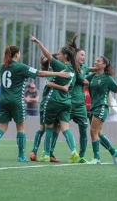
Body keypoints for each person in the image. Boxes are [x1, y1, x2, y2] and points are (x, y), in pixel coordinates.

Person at [0, 45, 71, 162]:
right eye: (19, 53)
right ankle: (21, 156)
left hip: (3, 100)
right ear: (16, 55)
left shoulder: (2, 67)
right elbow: (39, 73)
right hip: (16, 101)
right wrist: (58, 74)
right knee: (20, 128)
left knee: (1, 126)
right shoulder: (20, 67)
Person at [30, 35, 81, 163]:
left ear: (65, 56)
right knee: (65, 128)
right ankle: (74, 151)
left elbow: (48, 55)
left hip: (53, 100)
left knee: (47, 127)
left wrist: (38, 42)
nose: (57, 56)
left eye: (59, 54)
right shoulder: (73, 70)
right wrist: (63, 88)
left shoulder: (60, 66)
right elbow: (69, 87)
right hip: (66, 102)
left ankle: (46, 154)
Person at [86, 56, 117, 164]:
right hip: (93, 107)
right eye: (95, 60)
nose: (96, 62)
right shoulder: (92, 77)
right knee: (98, 133)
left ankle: (97, 158)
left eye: (98, 61)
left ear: (104, 65)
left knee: (93, 131)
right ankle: (113, 151)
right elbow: (81, 78)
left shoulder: (107, 78)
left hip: (102, 107)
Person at [29, 54, 70, 163]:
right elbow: (48, 83)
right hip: (48, 102)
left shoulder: (58, 70)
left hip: (56, 104)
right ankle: (36, 151)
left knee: (56, 127)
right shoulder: (54, 71)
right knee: (44, 127)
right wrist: (63, 87)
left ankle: (48, 153)